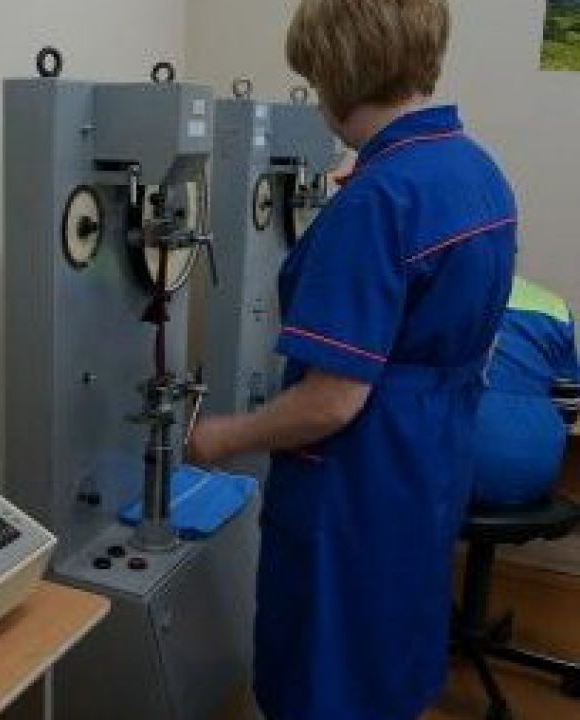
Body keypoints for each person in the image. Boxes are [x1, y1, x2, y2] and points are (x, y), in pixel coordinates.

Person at [186, 1, 517, 719]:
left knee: (326, 673)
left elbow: (332, 401)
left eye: (315, 76)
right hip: (428, 462)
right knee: (388, 651)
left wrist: (221, 437)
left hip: (354, 485)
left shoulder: (378, 200)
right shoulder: (475, 170)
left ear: (339, 72)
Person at [472, 277, 579, 507]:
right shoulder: (555, 307)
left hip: (461, 467)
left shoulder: (445, 295)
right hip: (540, 466)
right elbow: (569, 406)